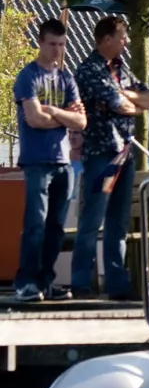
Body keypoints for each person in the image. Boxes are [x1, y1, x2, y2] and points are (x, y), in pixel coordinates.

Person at [72, 15, 149, 300]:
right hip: (101, 154)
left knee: (118, 221)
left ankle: (117, 283)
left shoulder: (122, 68)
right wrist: (129, 100)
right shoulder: (88, 70)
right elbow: (121, 105)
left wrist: (126, 97)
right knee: (93, 217)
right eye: (122, 36)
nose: (127, 41)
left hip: (126, 153)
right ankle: (81, 282)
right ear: (106, 39)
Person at [13, 18, 86, 302]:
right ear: (41, 43)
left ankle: (46, 281)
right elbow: (33, 119)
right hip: (36, 160)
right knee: (35, 223)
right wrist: (63, 116)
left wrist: (53, 111)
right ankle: (26, 283)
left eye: (61, 44)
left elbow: (80, 121)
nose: (57, 50)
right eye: (52, 44)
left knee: (56, 226)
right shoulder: (28, 77)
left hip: (62, 161)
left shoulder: (66, 79)